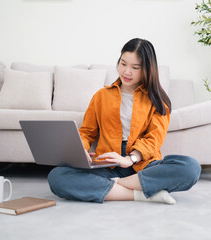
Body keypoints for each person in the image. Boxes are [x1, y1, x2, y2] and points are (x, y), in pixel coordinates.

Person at [48, 38, 201, 204]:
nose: (127, 72)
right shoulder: (101, 96)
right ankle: (140, 193)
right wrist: (80, 150)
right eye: (123, 64)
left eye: (135, 67)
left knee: (190, 167)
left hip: (143, 165)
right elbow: (86, 132)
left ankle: (114, 186)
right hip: (107, 165)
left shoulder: (158, 100)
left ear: (147, 70)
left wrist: (130, 159)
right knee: (57, 177)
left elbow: (154, 140)